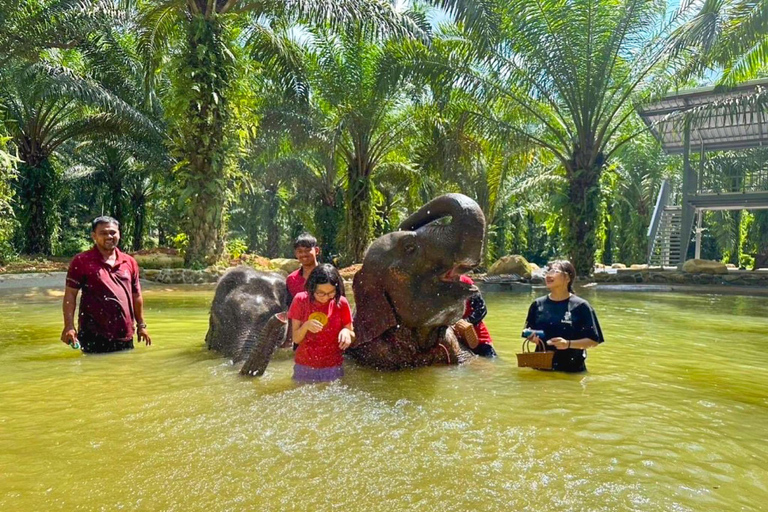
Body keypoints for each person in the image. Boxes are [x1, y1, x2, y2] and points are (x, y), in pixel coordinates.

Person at [61, 216, 151, 353]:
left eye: (113, 232)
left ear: (119, 234)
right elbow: (70, 296)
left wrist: (141, 325)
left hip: (124, 334)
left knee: (126, 371)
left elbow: (136, 295)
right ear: (94, 236)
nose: (109, 236)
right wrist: (69, 326)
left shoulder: (129, 262)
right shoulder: (81, 261)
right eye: (103, 233)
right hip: (93, 335)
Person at [524, 260, 603, 372]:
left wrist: (568, 344)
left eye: (554, 271)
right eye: (547, 272)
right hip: (541, 369)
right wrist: (531, 337)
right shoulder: (537, 304)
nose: (549, 275)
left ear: (567, 278)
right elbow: (528, 330)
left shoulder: (581, 306)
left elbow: (594, 341)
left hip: (572, 371)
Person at [287, 264, 353, 383]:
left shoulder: (341, 302)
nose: (326, 298)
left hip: (333, 367)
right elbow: (296, 339)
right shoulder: (300, 300)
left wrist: (346, 331)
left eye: (331, 293)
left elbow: (352, 334)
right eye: (320, 293)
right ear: (312, 288)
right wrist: (306, 326)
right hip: (305, 367)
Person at [456, 274, 496, 357]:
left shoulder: (469, 287)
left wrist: (466, 321)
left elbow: (482, 310)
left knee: (490, 359)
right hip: (458, 336)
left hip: (478, 337)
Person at [285, 233, 321, 307]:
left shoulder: (329, 275)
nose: (304, 254)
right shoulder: (292, 279)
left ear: (317, 250)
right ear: (296, 254)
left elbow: (341, 302)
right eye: (300, 251)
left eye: (307, 250)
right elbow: (290, 307)